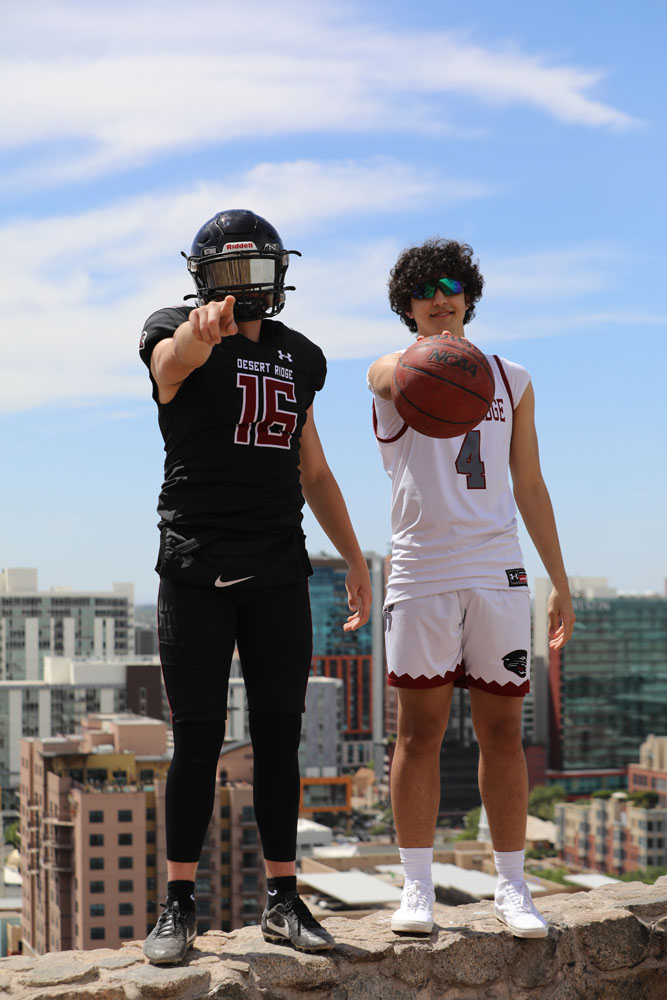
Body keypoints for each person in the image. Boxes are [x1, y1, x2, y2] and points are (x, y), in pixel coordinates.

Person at [139, 209, 371, 962]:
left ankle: (283, 899)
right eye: (228, 273)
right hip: (196, 565)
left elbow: (315, 470)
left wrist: (357, 558)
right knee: (198, 739)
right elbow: (168, 368)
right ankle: (178, 905)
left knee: (278, 737)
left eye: (256, 272)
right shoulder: (173, 328)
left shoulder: (301, 355)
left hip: (278, 567)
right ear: (203, 277)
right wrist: (193, 338)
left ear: (279, 274)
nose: (242, 288)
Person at [368, 238, 575, 939]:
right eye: (424, 289)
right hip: (422, 566)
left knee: (502, 735)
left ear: (470, 295)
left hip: (497, 567)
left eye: (452, 284)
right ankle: (416, 887)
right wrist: (416, 360)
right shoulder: (396, 372)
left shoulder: (511, 377)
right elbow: (376, 377)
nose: (440, 295)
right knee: (418, 734)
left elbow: (530, 483)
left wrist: (558, 577)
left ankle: (512, 887)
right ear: (407, 307)